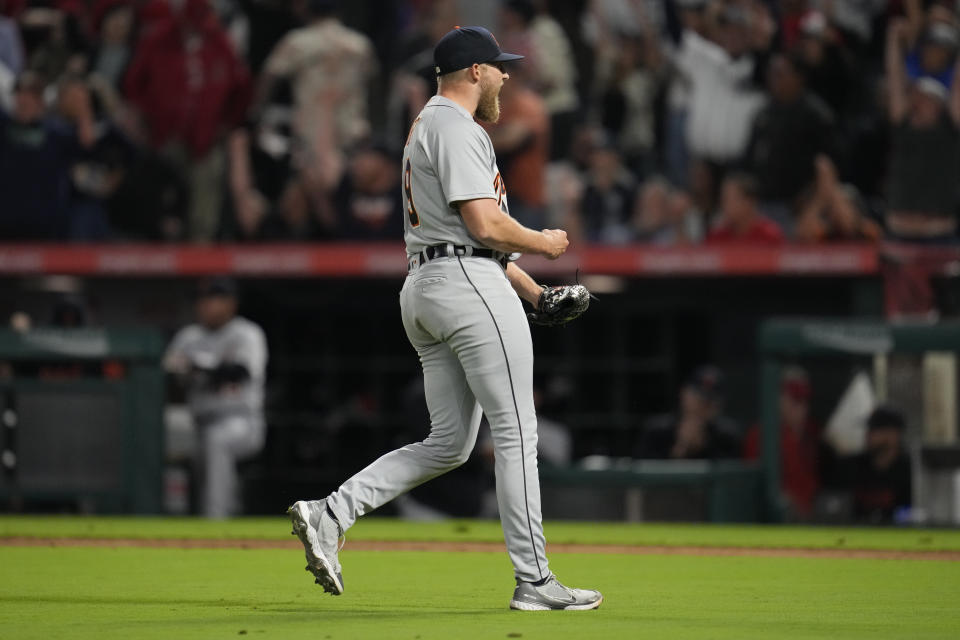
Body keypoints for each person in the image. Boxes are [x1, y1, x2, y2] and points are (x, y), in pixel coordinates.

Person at [286, 25, 602, 612]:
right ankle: (534, 579)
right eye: (499, 67)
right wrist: (544, 241)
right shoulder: (455, 126)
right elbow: (483, 228)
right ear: (475, 72)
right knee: (516, 433)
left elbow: (468, 239)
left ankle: (331, 513)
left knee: (450, 444)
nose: (507, 76)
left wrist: (535, 294)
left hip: (432, 286)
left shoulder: (428, 124)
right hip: (464, 283)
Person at [164, 277, 268, 518]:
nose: (205, 306)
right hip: (196, 422)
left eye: (212, 300)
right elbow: (168, 370)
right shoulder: (188, 336)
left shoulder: (247, 333)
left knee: (217, 441)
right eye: (202, 300)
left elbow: (240, 373)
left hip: (241, 422)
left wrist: (200, 367)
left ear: (230, 304)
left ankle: (216, 519)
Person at [743, 367, 823, 520]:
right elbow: (756, 487)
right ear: (777, 399)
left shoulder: (813, 431)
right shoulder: (761, 435)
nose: (801, 408)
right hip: (778, 517)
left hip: (814, 514)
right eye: (794, 401)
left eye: (803, 402)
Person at [637, 365, 741, 460]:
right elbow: (645, 476)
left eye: (710, 401)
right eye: (698, 397)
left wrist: (703, 447)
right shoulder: (657, 431)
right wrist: (681, 447)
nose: (702, 405)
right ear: (683, 394)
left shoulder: (727, 435)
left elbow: (732, 475)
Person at [706, 172, 784, 245]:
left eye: (728, 199)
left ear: (749, 202)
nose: (723, 205)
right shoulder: (717, 236)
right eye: (722, 199)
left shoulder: (770, 236)